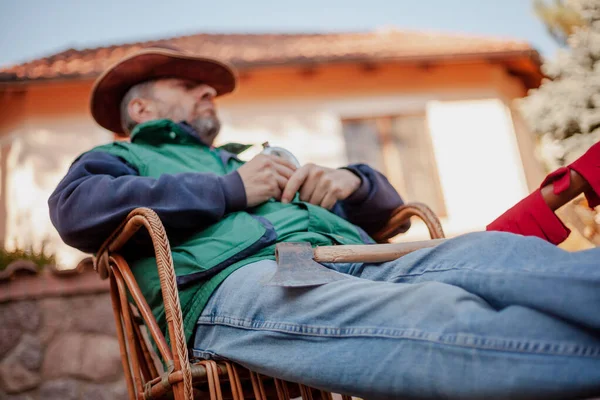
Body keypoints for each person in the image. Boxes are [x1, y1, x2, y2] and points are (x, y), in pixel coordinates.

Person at [48, 47, 600, 400]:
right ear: (142, 110)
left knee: (497, 254)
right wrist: (230, 191)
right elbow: (76, 208)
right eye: (186, 84)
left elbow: (388, 215)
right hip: (251, 282)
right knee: (434, 315)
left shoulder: (247, 158)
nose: (206, 90)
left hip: (356, 259)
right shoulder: (121, 161)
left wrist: (352, 182)